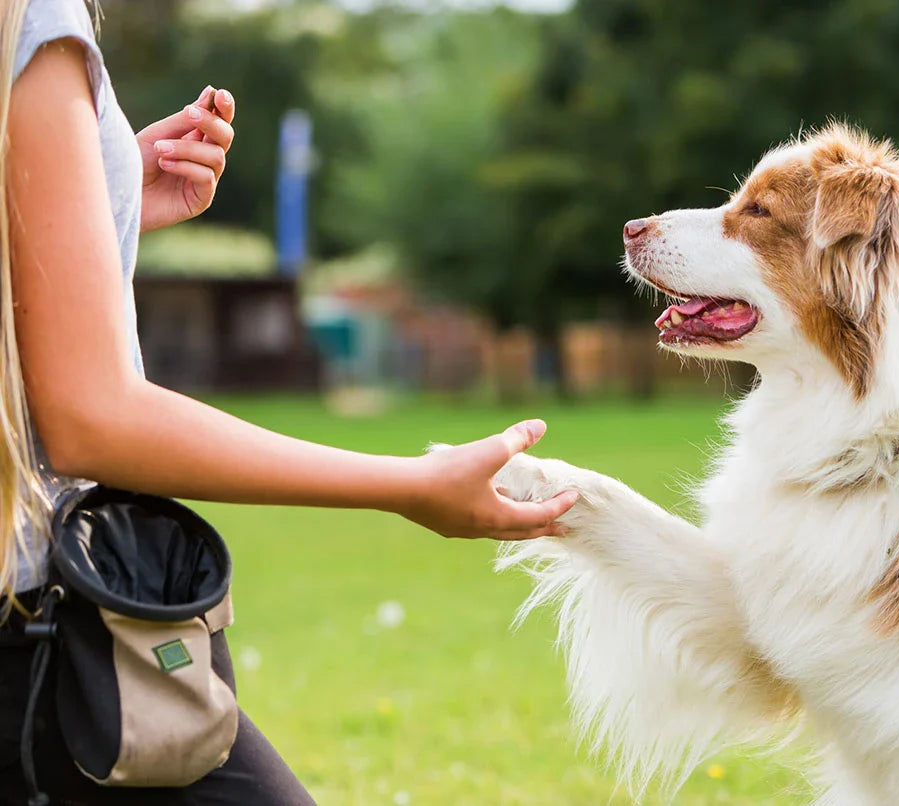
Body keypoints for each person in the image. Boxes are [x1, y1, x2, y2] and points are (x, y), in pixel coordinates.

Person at [0, 0, 578, 803]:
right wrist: (408, 485)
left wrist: (103, 206)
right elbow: (90, 418)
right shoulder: (30, 19)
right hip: (31, 636)